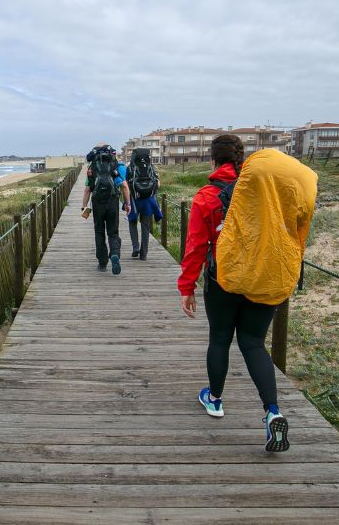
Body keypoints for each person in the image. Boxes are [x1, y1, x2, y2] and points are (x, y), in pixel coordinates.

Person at [177, 135, 316, 452]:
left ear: (213, 161)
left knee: (220, 338)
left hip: (224, 280)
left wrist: (187, 288)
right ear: (241, 160)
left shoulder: (207, 197)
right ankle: (272, 412)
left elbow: (196, 247)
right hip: (264, 279)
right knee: (253, 343)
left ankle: (214, 400)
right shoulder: (267, 192)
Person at [82, 143, 130, 275]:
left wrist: (84, 207)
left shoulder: (92, 168)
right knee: (113, 232)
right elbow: (124, 186)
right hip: (112, 202)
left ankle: (102, 263)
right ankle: (114, 254)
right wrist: (128, 204)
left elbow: (87, 190)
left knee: (99, 232)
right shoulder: (115, 166)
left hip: (97, 203)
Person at [125, 148, 163, 260]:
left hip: (134, 200)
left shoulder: (130, 168)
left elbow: (126, 185)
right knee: (145, 226)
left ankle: (135, 247)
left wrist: (127, 201)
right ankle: (144, 254)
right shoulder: (151, 167)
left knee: (132, 222)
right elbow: (158, 184)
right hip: (148, 201)